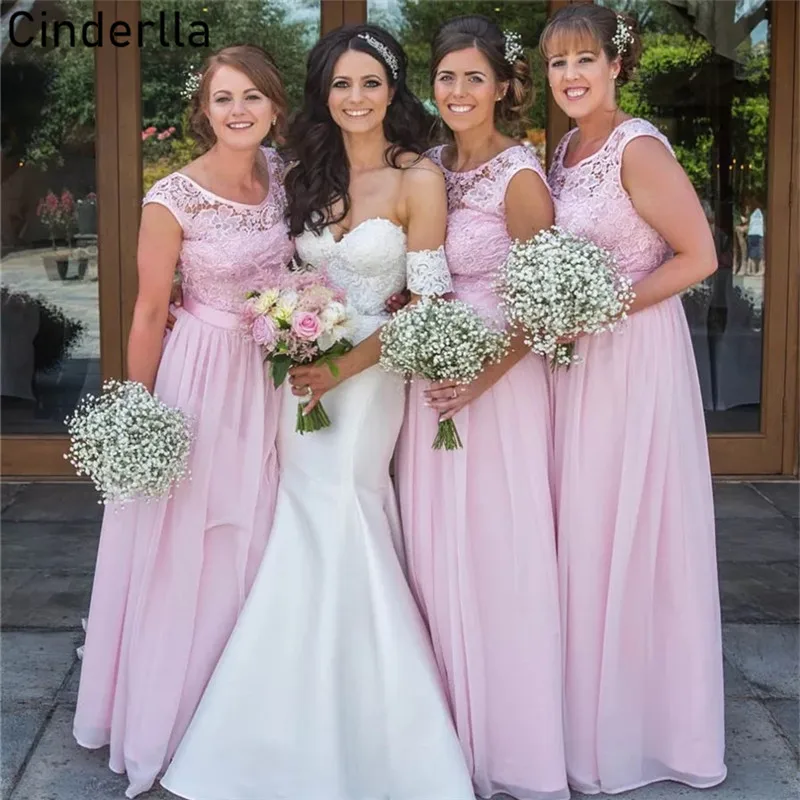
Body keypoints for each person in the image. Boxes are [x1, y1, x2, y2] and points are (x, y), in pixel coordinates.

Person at [159, 24, 474, 800]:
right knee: (295, 518)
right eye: (341, 84)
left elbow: (428, 306)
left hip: (369, 377)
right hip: (297, 372)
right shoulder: (305, 174)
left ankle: (386, 738)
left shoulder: (419, 179)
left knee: (342, 510)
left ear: (392, 91)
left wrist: (343, 367)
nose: (355, 98)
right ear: (322, 94)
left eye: (371, 83)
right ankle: (282, 723)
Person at [72, 45, 294, 798]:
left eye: (252, 97)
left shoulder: (285, 178)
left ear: (274, 106)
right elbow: (147, 311)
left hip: (270, 375)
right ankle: (169, 714)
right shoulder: (173, 197)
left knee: (256, 531)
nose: (239, 111)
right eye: (224, 98)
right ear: (204, 109)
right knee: (190, 536)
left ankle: (240, 710)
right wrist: (138, 414)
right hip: (200, 374)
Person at [542, 4, 727, 794]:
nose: (571, 75)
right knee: (583, 529)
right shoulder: (564, 149)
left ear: (617, 64)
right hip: (577, 360)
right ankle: (581, 718)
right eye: (558, 63)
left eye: (585, 59)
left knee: (628, 529)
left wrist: (602, 307)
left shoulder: (637, 146)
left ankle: (644, 731)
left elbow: (699, 257)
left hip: (633, 356)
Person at [394, 15, 569, 800]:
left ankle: (510, 747)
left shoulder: (518, 176)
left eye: (475, 77)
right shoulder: (430, 165)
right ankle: (443, 737)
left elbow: (544, 303)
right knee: (432, 553)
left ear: (502, 87)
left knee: (497, 557)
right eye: (446, 77)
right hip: (431, 380)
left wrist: (479, 381)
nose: (458, 91)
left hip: (497, 388)